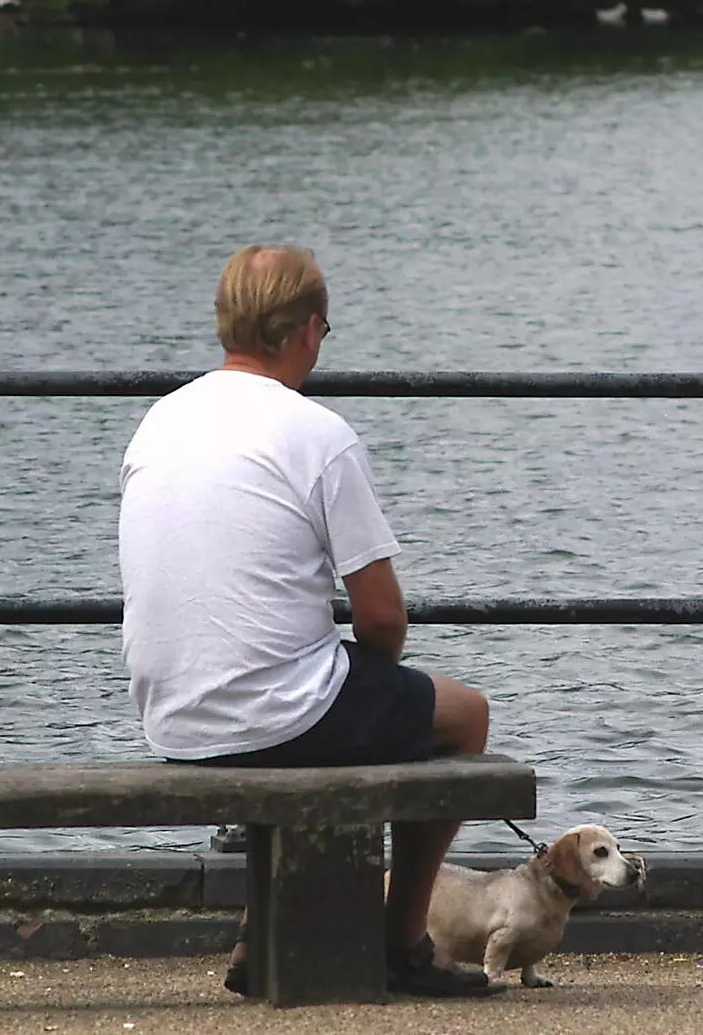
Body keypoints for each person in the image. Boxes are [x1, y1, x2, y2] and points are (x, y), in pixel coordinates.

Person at [117, 244, 494, 998]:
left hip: (170, 716)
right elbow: (384, 622)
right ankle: (403, 940)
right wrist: (359, 664)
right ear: (306, 331)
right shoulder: (317, 434)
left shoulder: (157, 423)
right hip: (275, 713)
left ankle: (264, 930)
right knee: (463, 716)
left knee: (303, 693)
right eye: (324, 331)